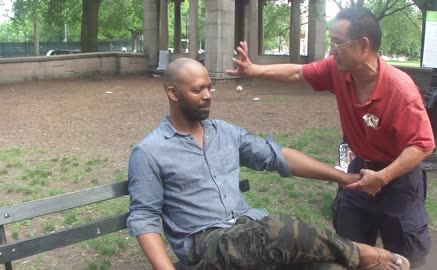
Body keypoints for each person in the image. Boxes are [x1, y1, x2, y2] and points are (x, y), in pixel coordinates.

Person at [127, 57, 410, 270]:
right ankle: (367, 254)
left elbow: (278, 157)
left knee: (328, 266)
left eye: (210, 88)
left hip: (251, 232)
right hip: (208, 245)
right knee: (275, 230)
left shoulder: (225, 133)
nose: (208, 95)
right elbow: (144, 218)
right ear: (173, 93)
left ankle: (353, 257)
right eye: (198, 89)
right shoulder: (150, 151)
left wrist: (342, 178)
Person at [226, 7, 434, 268]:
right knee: (348, 249)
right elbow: (298, 73)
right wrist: (254, 70)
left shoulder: (400, 90)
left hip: (398, 179)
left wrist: (383, 177)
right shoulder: (339, 70)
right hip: (360, 172)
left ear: (363, 45)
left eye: (337, 42)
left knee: (407, 253)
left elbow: (422, 145)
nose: (331, 50)